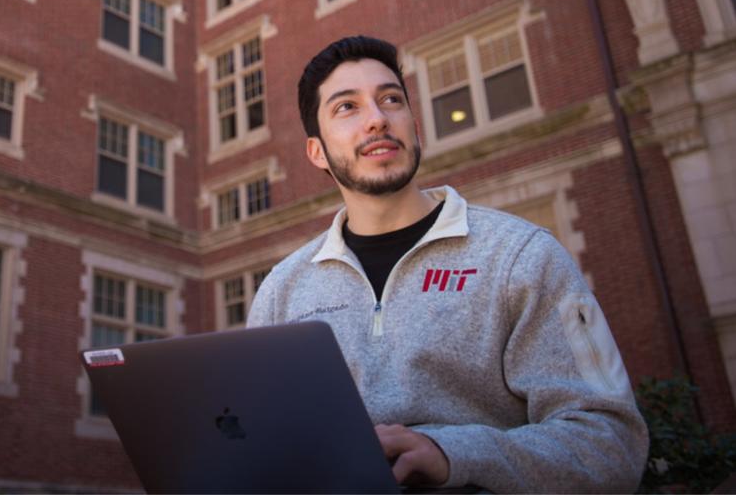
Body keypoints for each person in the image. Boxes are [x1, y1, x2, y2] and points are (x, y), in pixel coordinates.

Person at [246, 35, 649, 493]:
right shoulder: (283, 289)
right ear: (317, 151)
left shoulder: (520, 255)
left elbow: (611, 445)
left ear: (414, 126)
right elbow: (255, 449)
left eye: (391, 99)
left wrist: (453, 453)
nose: (377, 119)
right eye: (347, 108)